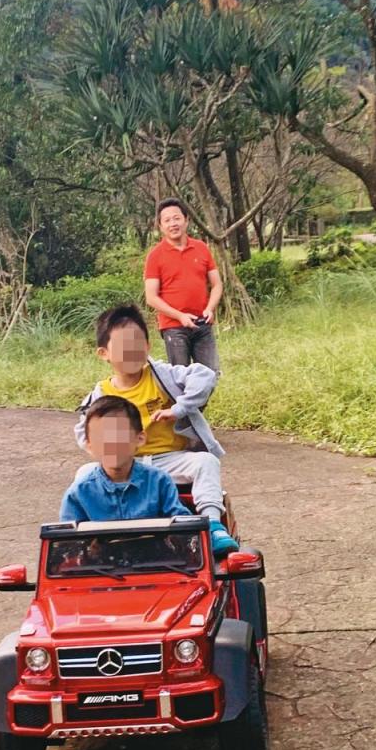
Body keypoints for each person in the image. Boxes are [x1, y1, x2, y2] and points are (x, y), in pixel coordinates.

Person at [73, 303, 237, 554]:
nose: (131, 351)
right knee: (85, 473)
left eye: (137, 344)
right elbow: (83, 430)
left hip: (170, 460)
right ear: (104, 353)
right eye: (123, 346)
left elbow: (205, 376)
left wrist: (179, 408)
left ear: (148, 347)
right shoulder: (101, 392)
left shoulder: (163, 375)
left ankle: (213, 526)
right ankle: (86, 532)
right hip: (127, 465)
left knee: (205, 462)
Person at [62, 394, 238, 556]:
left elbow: (183, 527)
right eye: (101, 437)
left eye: (119, 435)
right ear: (89, 445)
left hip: (158, 565)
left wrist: (183, 540)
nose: (111, 444)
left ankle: (215, 530)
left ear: (139, 439)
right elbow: (67, 546)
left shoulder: (160, 481)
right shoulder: (79, 491)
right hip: (101, 571)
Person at [144, 197, 223, 372]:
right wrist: (180, 316)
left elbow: (217, 284)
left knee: (209, 376)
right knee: (180, 379)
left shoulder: (201, 248)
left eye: (177, 218)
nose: (173, 223)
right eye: (167, 220)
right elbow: (151, 297)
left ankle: (202, 401)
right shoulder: (155, 256)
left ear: (186, 220)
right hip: (174, 327)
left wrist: (210, 308)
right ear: (160, 226)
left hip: (202, 323)